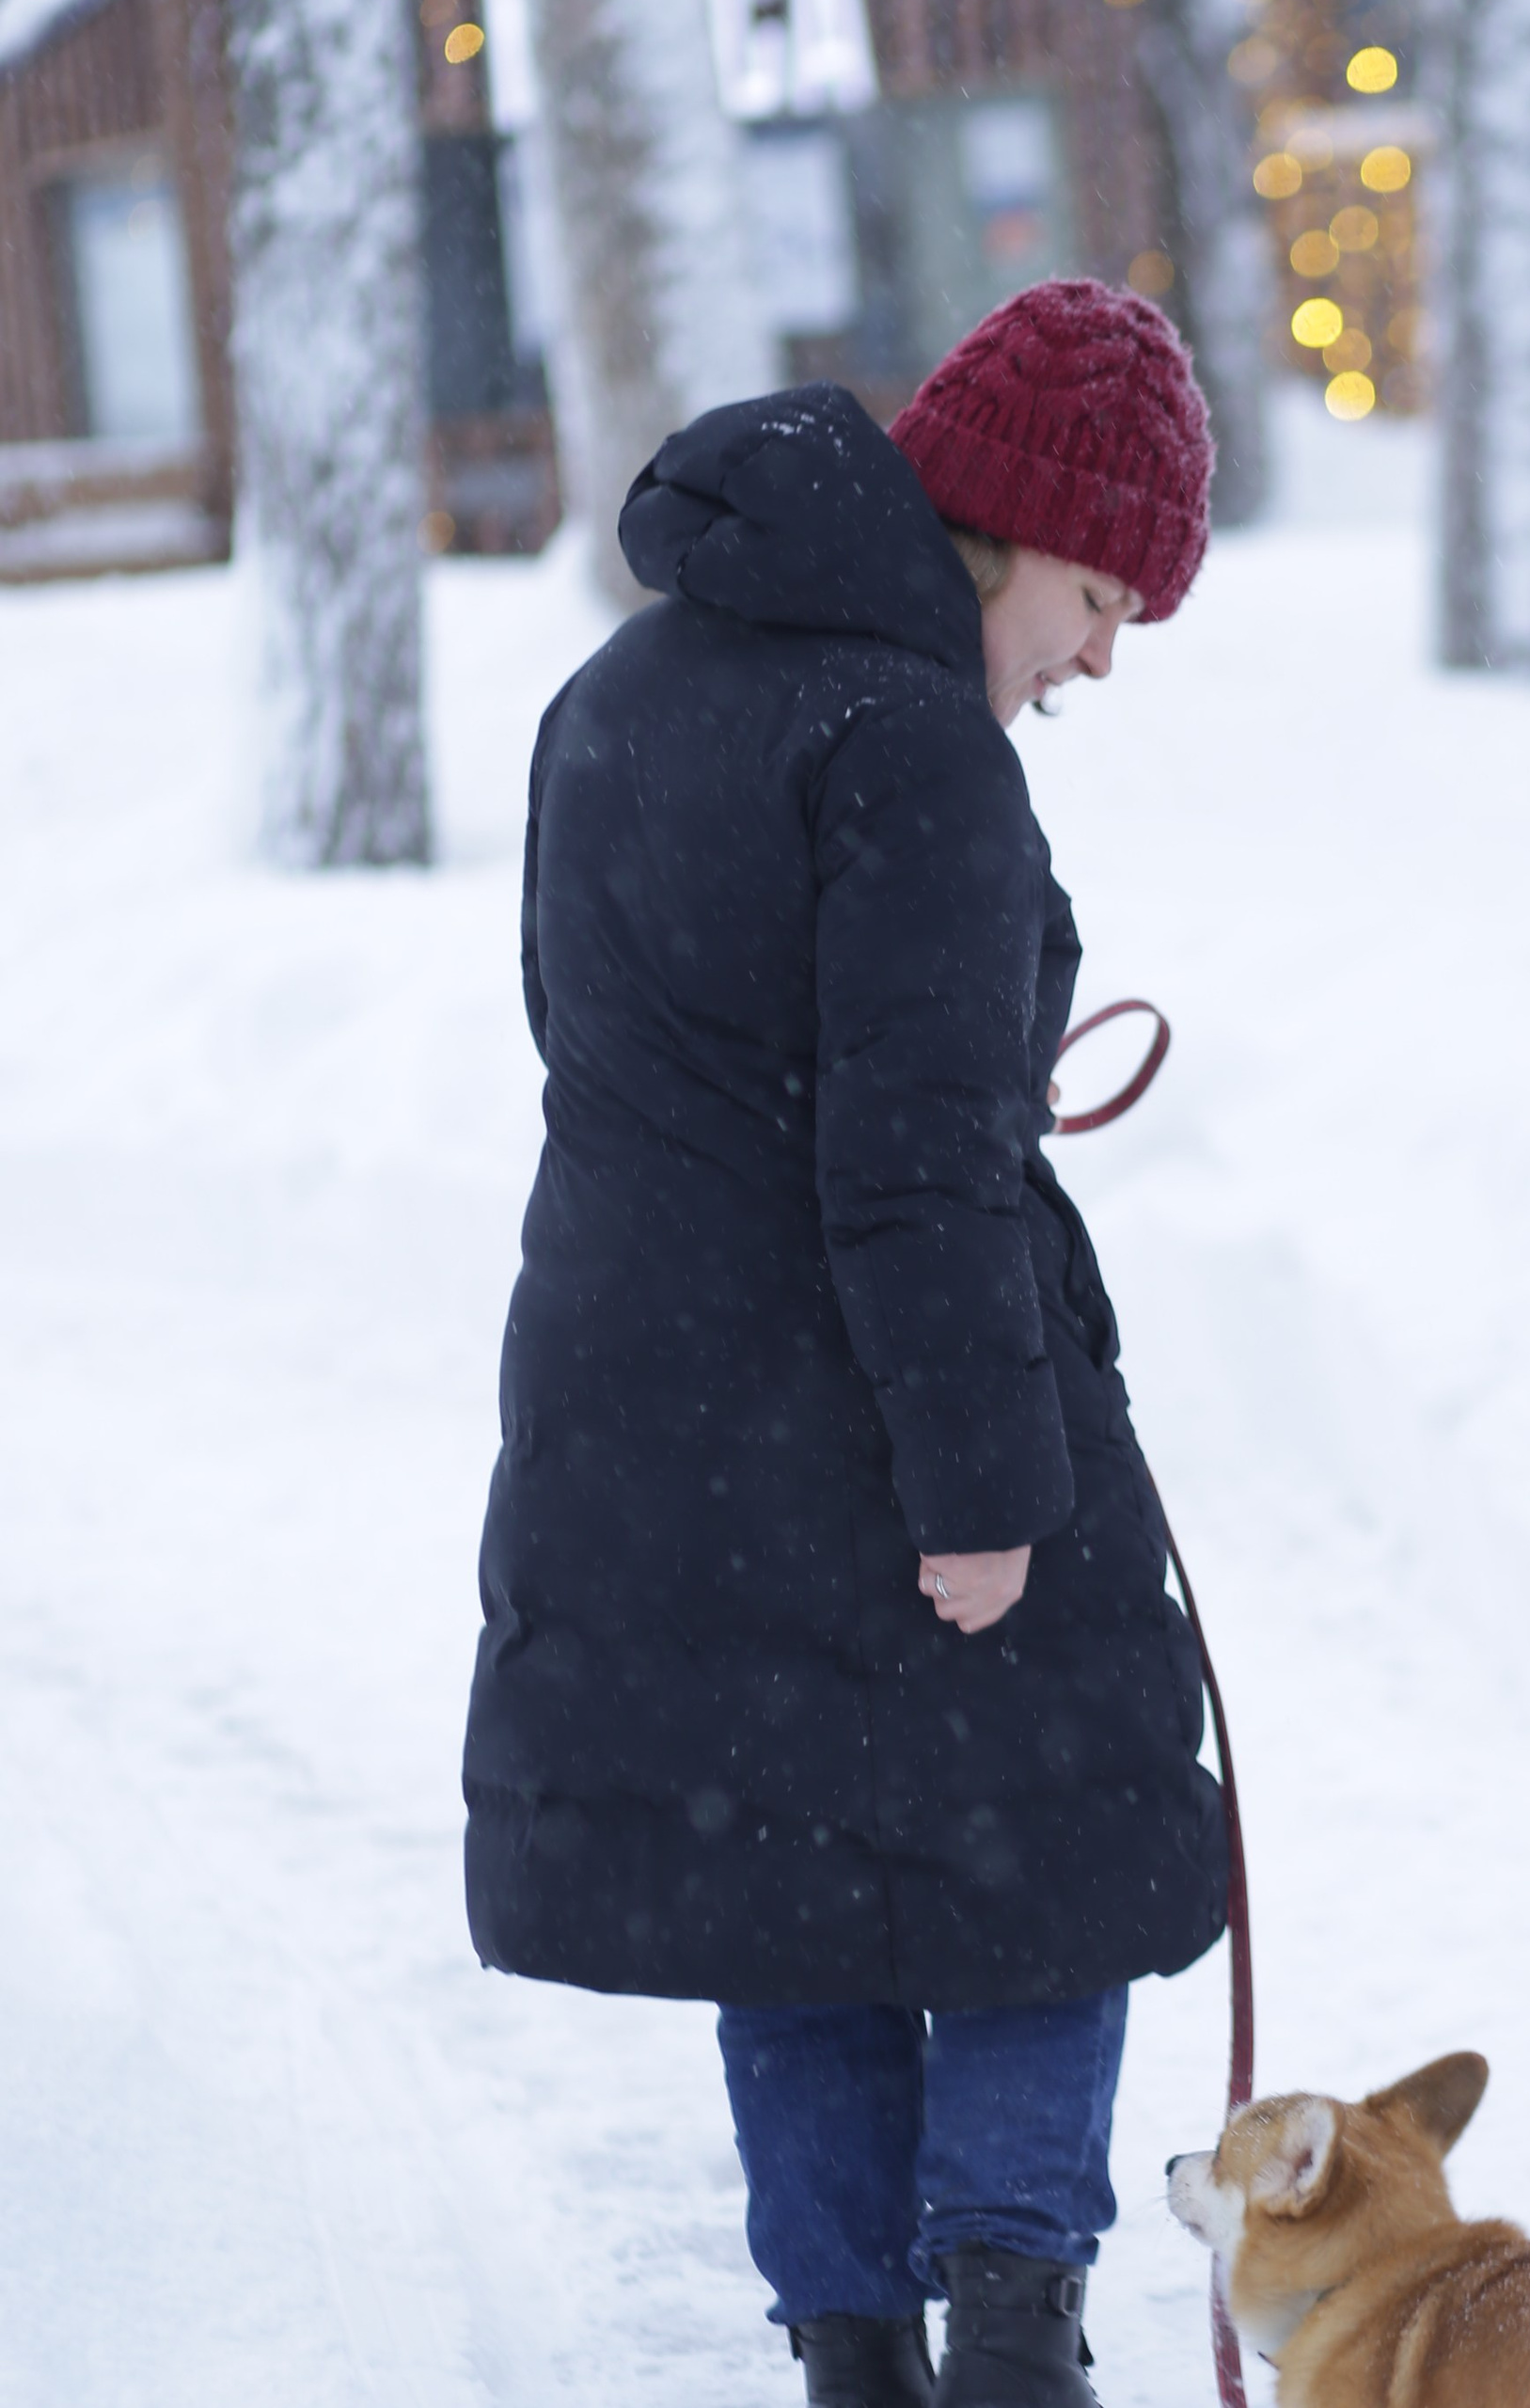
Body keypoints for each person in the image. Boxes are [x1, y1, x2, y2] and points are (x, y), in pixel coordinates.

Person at [460, 280, 1229, 2408]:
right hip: (876, 1418)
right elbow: (906, 1165)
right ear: (996, 524)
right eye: (1094, 592)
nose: (1096, 650)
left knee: (783, 1893)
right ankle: (1007, 2327)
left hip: (643, 1432)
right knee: (1044, 1853)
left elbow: (640, 1077)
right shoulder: (910, 747)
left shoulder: (613, 693)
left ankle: (857, 2354)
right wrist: (983, 1485)